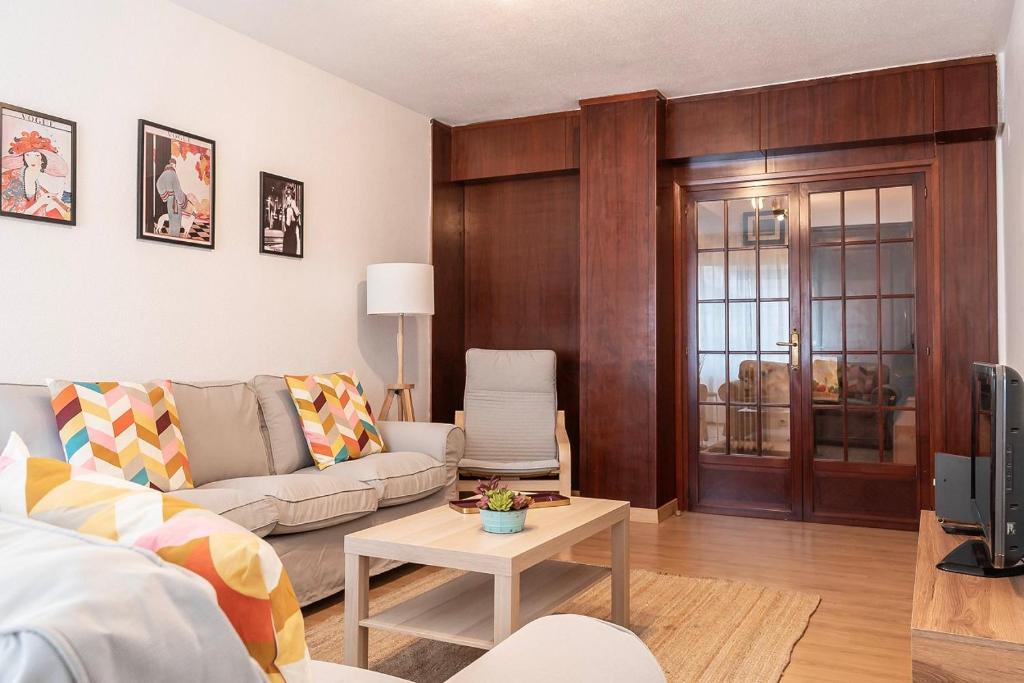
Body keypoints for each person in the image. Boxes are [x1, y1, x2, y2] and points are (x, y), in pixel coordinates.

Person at [1, 131, 71, 220]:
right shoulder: (8, 178)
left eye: (37, 155)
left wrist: (48, 203)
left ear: (43, 160)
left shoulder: (39, 189)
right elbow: (9, 215)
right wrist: (40, 203)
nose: (32, 159)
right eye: (28, 155)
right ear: (24, 158)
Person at [155, 157, 187, 236]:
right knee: (176, 221)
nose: (175, 166)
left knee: (171, 219)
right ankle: (174, 237)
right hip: (175, 202)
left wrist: (165, 195)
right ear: (173, 164)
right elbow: (177, 190)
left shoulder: (164, 173)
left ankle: (172, 236)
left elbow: (158, 184)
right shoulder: (172, 173)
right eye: (175, 165)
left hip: (169, 201)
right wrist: (182, 201)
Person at [282, 185, 301, 255]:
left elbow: (287, 224)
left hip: (288, 237)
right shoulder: (297, 210)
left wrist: (284, 213)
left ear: (289, 197)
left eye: (286, 197)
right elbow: (298, 223)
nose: (286, 199)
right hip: (294, 236)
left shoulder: (289, 209)